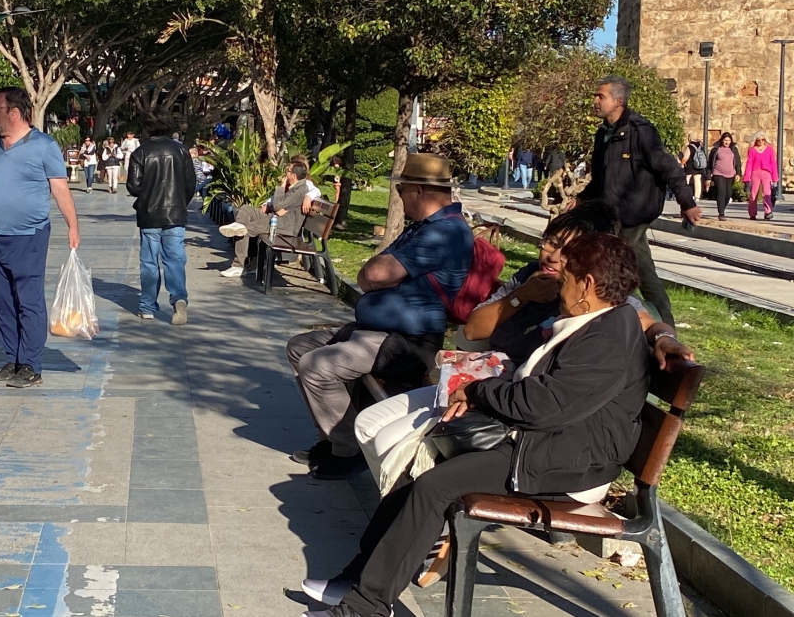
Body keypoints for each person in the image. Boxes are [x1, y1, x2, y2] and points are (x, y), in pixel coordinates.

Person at [302, 202, 695, 604]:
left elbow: (547, 402)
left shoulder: (607, 330)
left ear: (587, 283)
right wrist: (515, 314)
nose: (555, 265)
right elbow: (491, 350)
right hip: (540, 437)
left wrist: (478, 394)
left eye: (567, 269)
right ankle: (364, 581)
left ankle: (367, 600)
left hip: (562, 460)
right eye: (551, 244)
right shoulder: (586, 314)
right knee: (417, 470)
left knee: (432, 482)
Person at [285, 154, 472, 479]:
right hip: (373, 332)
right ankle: (332, 439)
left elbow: (375, 273)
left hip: (405, 342)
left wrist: (383, 276)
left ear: (417, 190)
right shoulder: (422, 229)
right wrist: (385, 276)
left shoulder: (446, 232)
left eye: (400, 190)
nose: (398, 197)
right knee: (300, 347)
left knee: (317, 366)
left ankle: (348, 450)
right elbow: (368, 273)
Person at [575, 75, 700, 327]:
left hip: (634, 212)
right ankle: (664, 327)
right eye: (595, 96)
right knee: (643, 270)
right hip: (612, 214)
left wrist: (687, 203)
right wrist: (581, 199)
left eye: (601, 96)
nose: (595, 101)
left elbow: (669, 167)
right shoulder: (604, 134)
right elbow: (601, 178)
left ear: (618, 101)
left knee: (613, 267)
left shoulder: (640, 131)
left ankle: (630, 324)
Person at [0, 87, 80, 388]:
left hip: (29, 236)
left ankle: (31, 364)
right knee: (3, 301)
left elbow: (60, 188)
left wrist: (72, 226)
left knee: (28, 300)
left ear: (14, 113)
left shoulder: (44, 146)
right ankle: (13, 358)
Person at [126, 110, 198, 324]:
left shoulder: (140, 152)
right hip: (175, 214)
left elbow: (133, 186)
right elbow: (190, 183)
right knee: (175, 259)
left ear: (147, 127)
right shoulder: (181, 150)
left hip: (149, 215)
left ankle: (148, 306)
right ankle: (179, 298)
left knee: (149, 262)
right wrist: (180, 203)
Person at [217, 162, 310, 278]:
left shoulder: (298, 191)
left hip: (284, 226)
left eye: (288, 171)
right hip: (277, 219)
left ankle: (238, 266)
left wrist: (281, 187)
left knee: (246, 229)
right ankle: (238, 224)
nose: (286, 173)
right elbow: (279, 206)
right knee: (246, 209)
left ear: (294, 176)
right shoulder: (296, 187)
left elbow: (277, 206)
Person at [743, 132, 779, 221]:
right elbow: (749, 164)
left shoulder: (770, 150)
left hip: (767, 173)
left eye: (762, 140)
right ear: (755, 140)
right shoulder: (752, 150)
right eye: (758, 140)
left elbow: (773, 163)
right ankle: (752, 213)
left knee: (767, 193)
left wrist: (775, 177)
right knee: (753, 195)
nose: (760, 141)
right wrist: (747, 177)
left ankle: (768, 212)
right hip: (755, 173)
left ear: (765, 140)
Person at [706, 132, 742, 221]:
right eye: (725, 140)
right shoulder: (716, 149)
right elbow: (710, 164)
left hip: (730, 174)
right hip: (718, 173)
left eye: (729, 140)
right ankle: (721, 213)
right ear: (722, 140)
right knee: (721, 192)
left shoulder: (734, 149)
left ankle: (722, 207)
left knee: (728, 194)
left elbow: (738, 162)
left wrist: (738, 173)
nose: (727, 142)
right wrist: (708, 177)